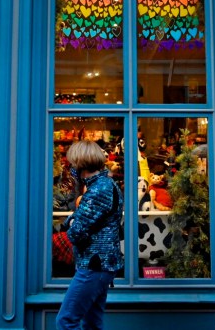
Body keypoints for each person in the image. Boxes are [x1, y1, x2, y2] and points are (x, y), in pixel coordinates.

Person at [56, 140, 124, 330]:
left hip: (94, 264)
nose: (71, 168)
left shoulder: (98, 190)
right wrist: (74, 220)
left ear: (81, 163)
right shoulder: (102, 185)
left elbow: (76, 233)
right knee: (92, 323)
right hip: (99, 264)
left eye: (72, 164)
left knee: (66, 321)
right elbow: (78, 220)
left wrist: (71, 222)